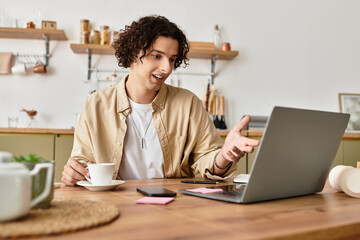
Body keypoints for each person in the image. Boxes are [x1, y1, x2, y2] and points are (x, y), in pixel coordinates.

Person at [62, 15, 259, 186]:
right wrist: (74, 173)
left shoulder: (188, 104)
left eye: (172, 59)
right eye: (157, 56)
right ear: (132, 53)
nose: (166, 68)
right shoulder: (96, 104)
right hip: (115, 204)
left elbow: (207, 158)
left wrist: (223, 156)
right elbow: (82, 163)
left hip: (173, 205)